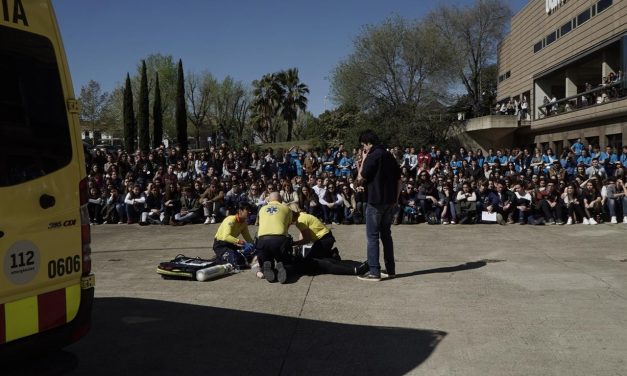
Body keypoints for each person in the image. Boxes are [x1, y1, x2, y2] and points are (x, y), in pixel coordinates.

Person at [356, 129, 401, 281]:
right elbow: (399, 179)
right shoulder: (389, 155)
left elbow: (361, 178)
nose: (364, 149)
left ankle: (374, 271)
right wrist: (395, 199)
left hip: (375, 201)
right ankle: (390, 269)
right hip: (389, 201)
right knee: (386, 236)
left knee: (372, 237)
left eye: (364, 146)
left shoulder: (373, 155)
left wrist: (362, 160)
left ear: (368, 143)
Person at [291, 209, 368, 276]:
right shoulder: (302, 215)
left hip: (323, 240)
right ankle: (358, 264)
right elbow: (303, 234)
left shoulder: (299, 222)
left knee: (317, 262)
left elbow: (307, 240)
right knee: (323, 259)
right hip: (327, 237)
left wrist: (294, 243)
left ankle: (354, 270)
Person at [256, 192, 293, 284]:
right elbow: (287, 226)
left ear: (269, 199)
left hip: (262, 241)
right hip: (279, 240)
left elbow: (260, 224)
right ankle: (282, 265)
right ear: (280, 200)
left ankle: (267, 265)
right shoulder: (286, 209)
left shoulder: (262, 209)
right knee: (285, 259)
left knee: (266, 258)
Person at [212, 202, 255, 271]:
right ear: (240, 211)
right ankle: (218, 259)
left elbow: (248, 237)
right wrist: (242, 243)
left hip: (230, 245)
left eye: (250, 210)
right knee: (233, 263)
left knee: (243, 258)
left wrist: (253, 246)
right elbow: (226, 237)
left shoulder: (243, 223)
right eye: (247, 210)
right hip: (220, 245)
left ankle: (222, 256)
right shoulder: (231, 220)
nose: (249, 212)